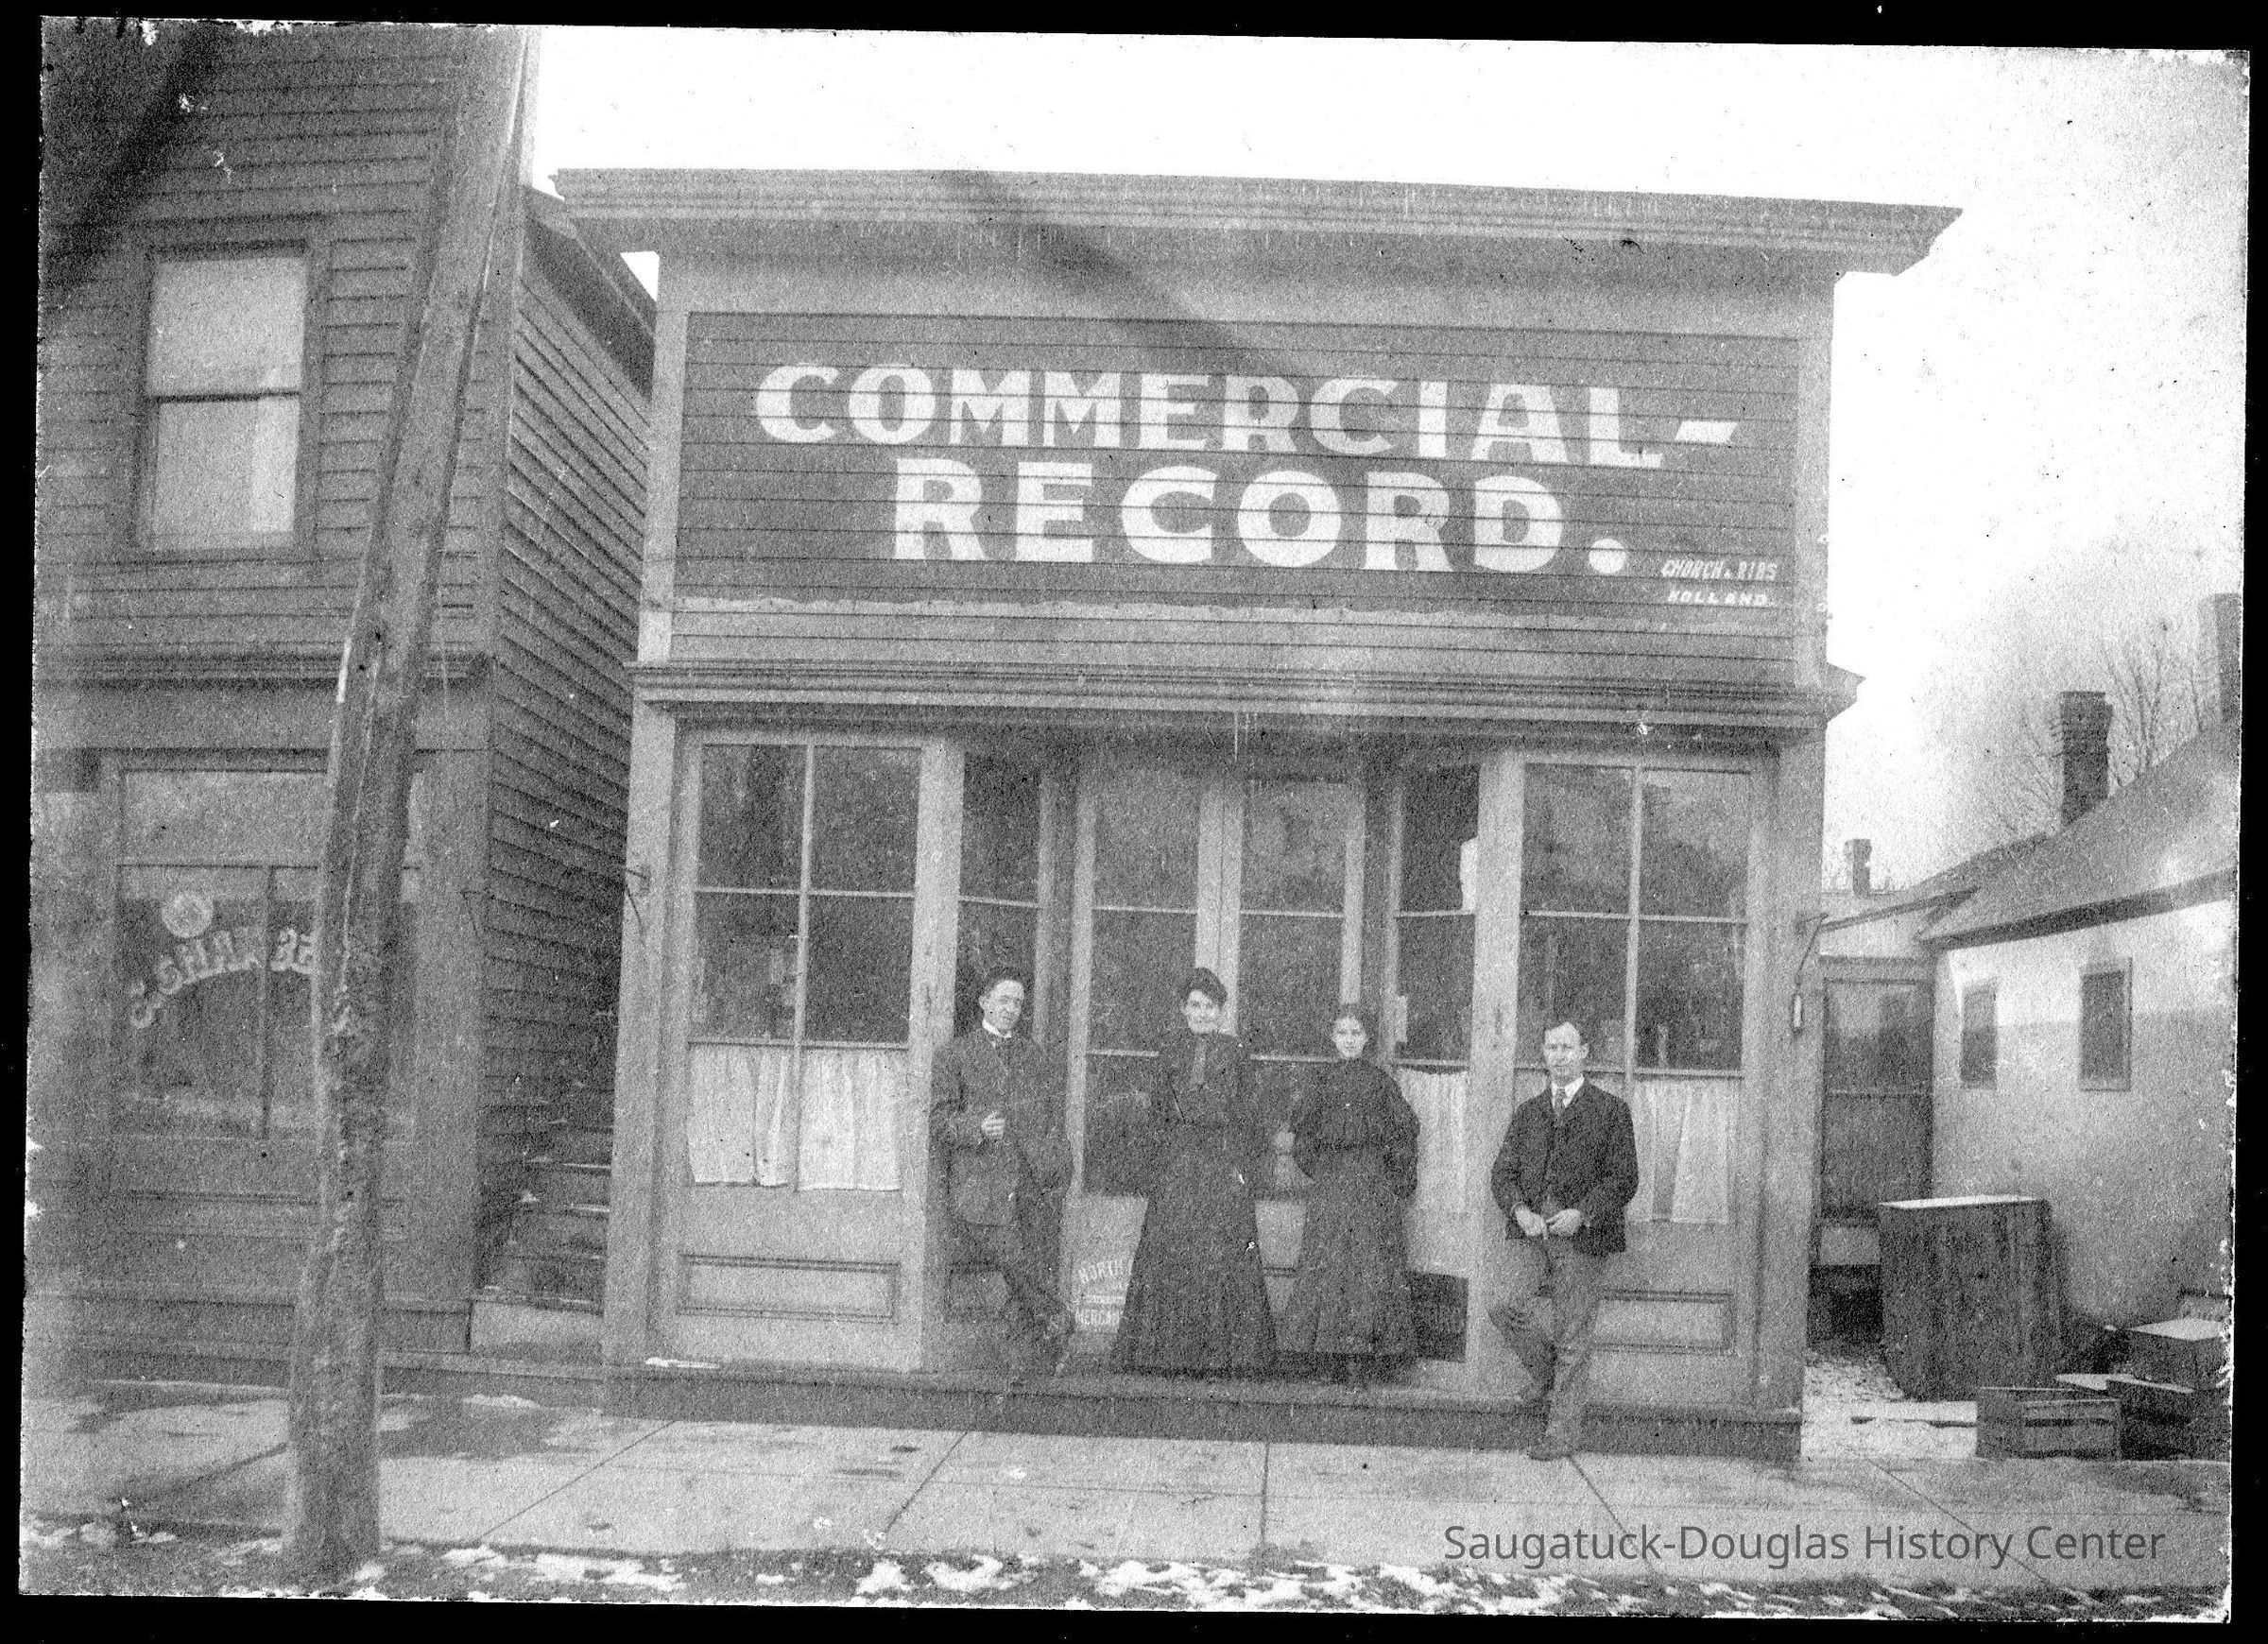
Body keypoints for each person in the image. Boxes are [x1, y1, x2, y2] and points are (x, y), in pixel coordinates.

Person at [1110, 968, 1277, 1377]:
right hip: (1179, 1164)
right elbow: (1156, 1113)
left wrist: (1243, 1168)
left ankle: (1224, 1357)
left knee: (1222, 1254)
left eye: (1211, 1007)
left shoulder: (1236, 1052)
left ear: (1221, 1012)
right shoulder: (1169, 1050)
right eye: (1195, 1005)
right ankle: (1168, 1356)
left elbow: (1252, 1116)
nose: (1203, 1013)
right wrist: (1158, 1165)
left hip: (1221, 1164)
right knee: (1174, 1253)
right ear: (1184, 1009)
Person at [1486, 1017, 1639, 1460]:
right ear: (1543, 1054)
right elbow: (1502, 1174)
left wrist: (1583, 1214)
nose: (1559, 1056)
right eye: (1552, 1048)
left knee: (1572, 1335)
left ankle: (1561, 1434)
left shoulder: (1610, 1111)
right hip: (1534, 1237)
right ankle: (1554, 1380)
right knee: (1503, 1306)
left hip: (1582, 1239)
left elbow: (1625, 1178)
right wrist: (1520, 1211)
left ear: (1584, 1052)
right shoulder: (1529, 1113)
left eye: (1567, 1048)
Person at [930, 969, 1075, 1381]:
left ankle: (1027, 1362)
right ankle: (1057, 1316)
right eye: (1004, 1000)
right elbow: (938, 1121)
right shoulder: (955, 1054)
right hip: (979, 1188)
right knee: (1014, 1261)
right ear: (983, 1002)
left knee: (1024, 1269)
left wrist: (1055, 1170)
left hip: (1029, 1184)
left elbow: (1049, 1118)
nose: (1011, 1009)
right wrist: (975, 1127)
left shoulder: (1033, 1055)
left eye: (1018, 1003)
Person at [1279, 1004, 1419, 1387]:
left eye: (1356, 1033)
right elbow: (1303, 1139)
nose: (1349, 1040)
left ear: (1367, 1038)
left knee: (1365, 1268)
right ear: (1332, 1037)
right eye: (1342, 1033)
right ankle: (1326, 1359)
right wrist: (1323, 1170)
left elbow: (1404, 1132)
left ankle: (1360, 1360)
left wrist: (1390, 1178)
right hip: (1330, 1184)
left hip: (1370, 1184)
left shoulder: (1380, 1082)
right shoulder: (1320, 1081)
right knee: (1327, 1266)